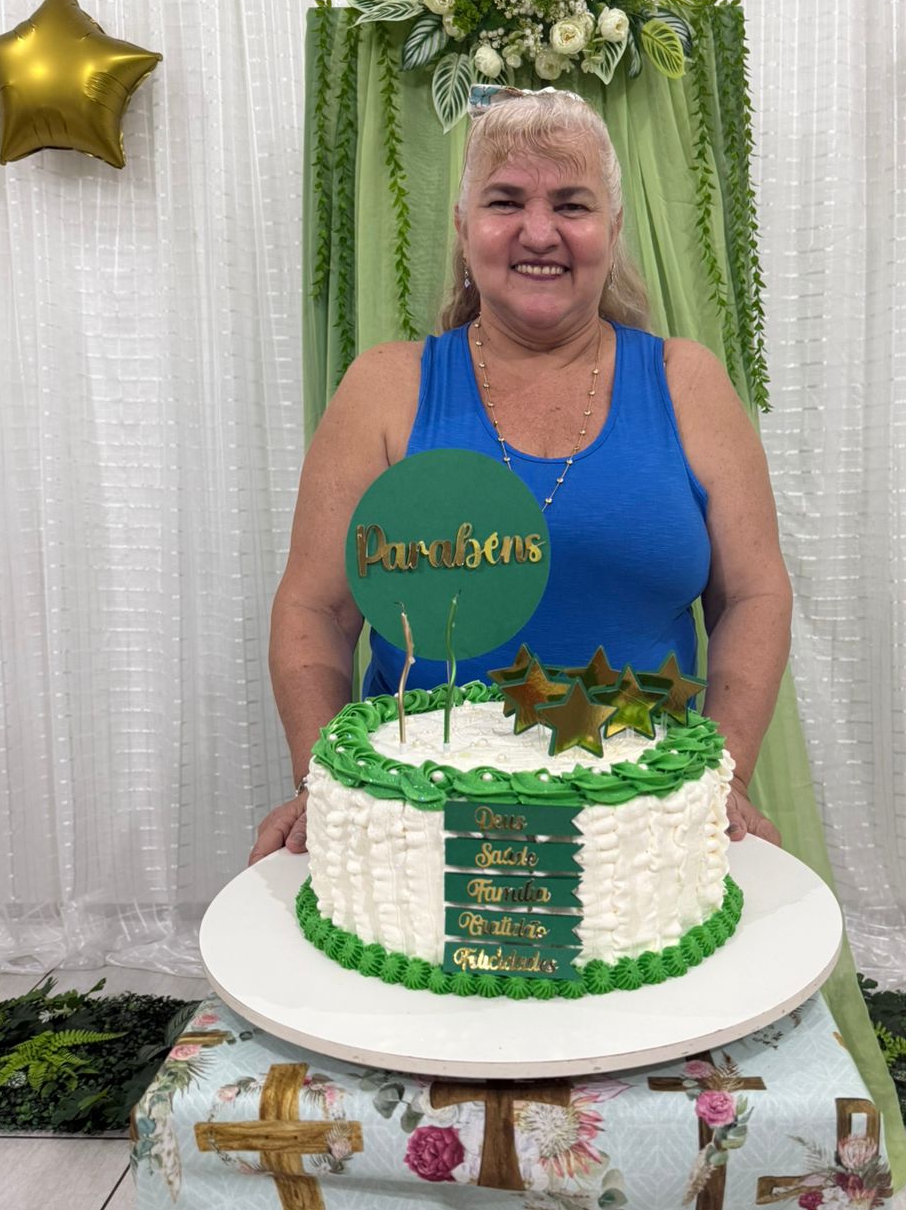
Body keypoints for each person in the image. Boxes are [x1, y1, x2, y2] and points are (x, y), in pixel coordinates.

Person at [250, 85, 793, 866]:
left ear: (614, 228)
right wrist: (325, 784)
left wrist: (723, 775)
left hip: (643, 833)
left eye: (572, 205)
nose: (539, 233)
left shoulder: (687, 383)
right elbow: (315, 610)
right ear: (463, 226)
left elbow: (754, 595)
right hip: (415, 833)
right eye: (506, 201)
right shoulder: (385, 388)